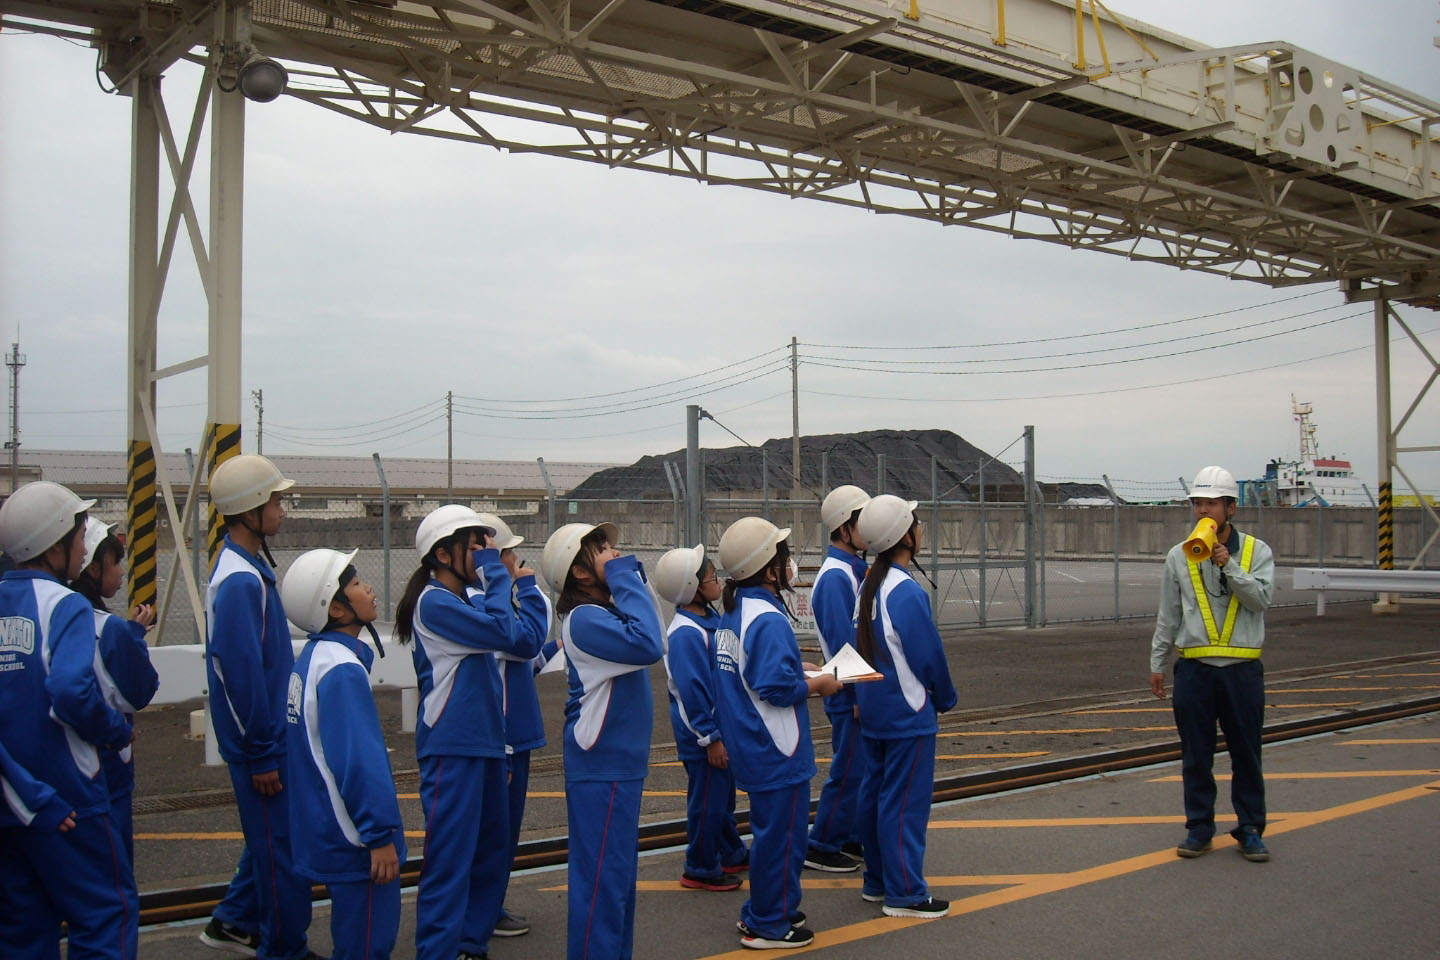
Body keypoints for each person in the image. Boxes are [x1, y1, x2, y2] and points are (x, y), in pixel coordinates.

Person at [0, 481, 137, 958]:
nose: (84, 546)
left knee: (23, 929)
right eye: (80, 535)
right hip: (70, 796)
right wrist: (115, 730)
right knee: (106, 916)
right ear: (55, 543)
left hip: (10, 798)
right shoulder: (66, 605)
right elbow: (70, 690)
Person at [396, 505, 536, 960]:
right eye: (475, 546)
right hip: (451, 749)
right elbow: (502, 629)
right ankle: (437, 951)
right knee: (450, 860)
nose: (485, 554)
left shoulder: (460, 601)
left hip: (487, 744)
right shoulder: (434, 602)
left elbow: (522, 641)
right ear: (442, 554)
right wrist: (498, 574)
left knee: (491, 854)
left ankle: (469, 945)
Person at [201, 453, 319, 960]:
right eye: (276, 500)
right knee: (282, 854)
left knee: (268, 841)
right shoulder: (240, 581)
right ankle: (283, 948)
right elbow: (239, 675)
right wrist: (264, 752)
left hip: (266, 739)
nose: (283, 509)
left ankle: (233, 920)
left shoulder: (245, 569)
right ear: (250, 510)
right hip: (262, 746)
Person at [712, 517, 842, 950]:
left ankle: (770, 907)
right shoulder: (767, 618)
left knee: (771, 835)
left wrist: (798, 669)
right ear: (769, 569)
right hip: (776, 746)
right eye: (783, 556)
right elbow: (774, 688)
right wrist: (820, 683)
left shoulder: (734, 610)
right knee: (783, 840)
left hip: (750, 742)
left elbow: (752, 674)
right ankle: (769, 921)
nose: (790, 565)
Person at [539, 521, 664, 960]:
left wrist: (630, 581)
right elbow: (650, 644)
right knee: (602, 889)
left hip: (615, 766)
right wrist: (628, 577)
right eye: (601, 549)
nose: (614, 552)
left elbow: (655, 635)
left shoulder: (601, 613)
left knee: (615, 884)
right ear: (580, 573)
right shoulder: (587, 618)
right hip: (602, 767)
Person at [282, 549, 406, 960]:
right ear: (335, 608)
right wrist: (378, 835)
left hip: (330, 829)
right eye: (355, 583)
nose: (367, 587)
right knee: (367, 943)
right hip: (356, 839)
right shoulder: (341, 669)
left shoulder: (313, 659)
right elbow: (357, 761)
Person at [1150, 465, 1275, 862]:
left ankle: (1250, 828)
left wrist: (1228, 565)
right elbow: (1168, 614)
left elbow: (1261, 601)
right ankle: (1199, 827)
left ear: (1230, 508)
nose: (1203, 511)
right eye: (1198, 503)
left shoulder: (1257, 551)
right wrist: (1158, 661)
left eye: (1211, 503)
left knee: (1247, 754)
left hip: (1241, 671)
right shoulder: (1178, 555)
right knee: (1196, 755)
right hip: (1196, 670)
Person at [852, 495, 956, 919]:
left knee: (875, 795)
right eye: (917, 523)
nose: (921, 529)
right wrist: (945, 697)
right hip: (908, 714)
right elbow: (928, 656)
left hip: (876, 710)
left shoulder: (868, 585)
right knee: (904, 805)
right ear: (906, 536)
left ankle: (877, 880)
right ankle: (906, 892)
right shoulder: (904, 590)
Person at [654, 543, 748, 893]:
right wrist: (711, 738)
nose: (718, 581)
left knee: (721, 800)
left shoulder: (709, 621)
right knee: (707, 804)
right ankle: (700, 866)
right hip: (704, 740)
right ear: (692, 589)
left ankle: (730, 851)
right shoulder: (686, 634)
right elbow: (692, 694)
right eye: (711, 577)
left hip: (718, 733)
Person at [474, 512, 548, 939]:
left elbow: (529, 656)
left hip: (510, 739)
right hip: (503, 741)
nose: (519, 558)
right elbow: (525, 643)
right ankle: (483, 911)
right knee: (494, 835)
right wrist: (529, 587)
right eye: (512, 551)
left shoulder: (489, 603)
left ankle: (487, 905)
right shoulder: (488, 605)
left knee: (500, 832)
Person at [70, 517, 159, 862]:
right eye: (116, 562)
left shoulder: (48, 614)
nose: (122, 572)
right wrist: (133, 636)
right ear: (91, 568)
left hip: (58, 767)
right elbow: (140, 690)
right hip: (107, 764)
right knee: (114, 866)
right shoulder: (109, 628)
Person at [804, 485, 871, 872]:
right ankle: (823, 841)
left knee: (858, 769)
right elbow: (843, 642)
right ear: (843, 528)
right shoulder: (835, 577)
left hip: (856, 687)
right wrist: (862, 694)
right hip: (848, 690)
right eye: (862, 519)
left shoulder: (851, 569)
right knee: (849, 769)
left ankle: (849, 835)